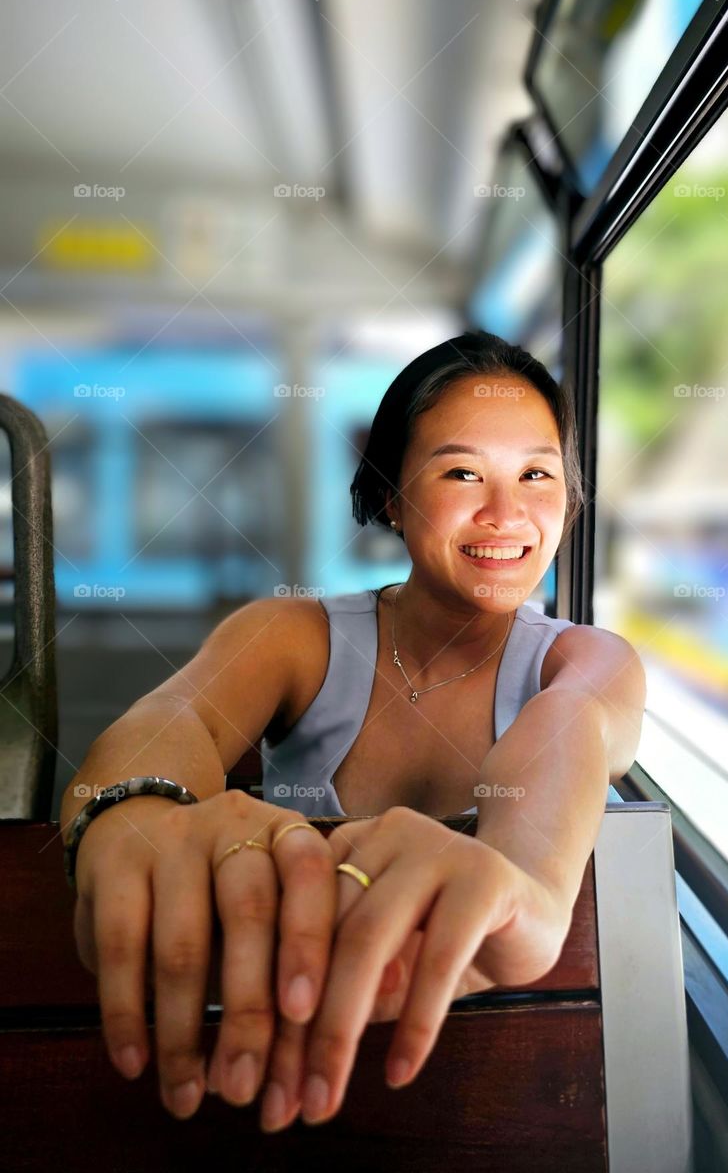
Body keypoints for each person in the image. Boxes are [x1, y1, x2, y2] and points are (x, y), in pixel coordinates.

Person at [58, 329, 646, 1134]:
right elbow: (178, 714)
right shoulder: (293, 634)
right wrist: (136, 814)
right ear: (392, 496)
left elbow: (569, 728)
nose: (507, 513)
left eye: (537, 474)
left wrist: (529, 894)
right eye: (462, 471)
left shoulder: (586, 662)